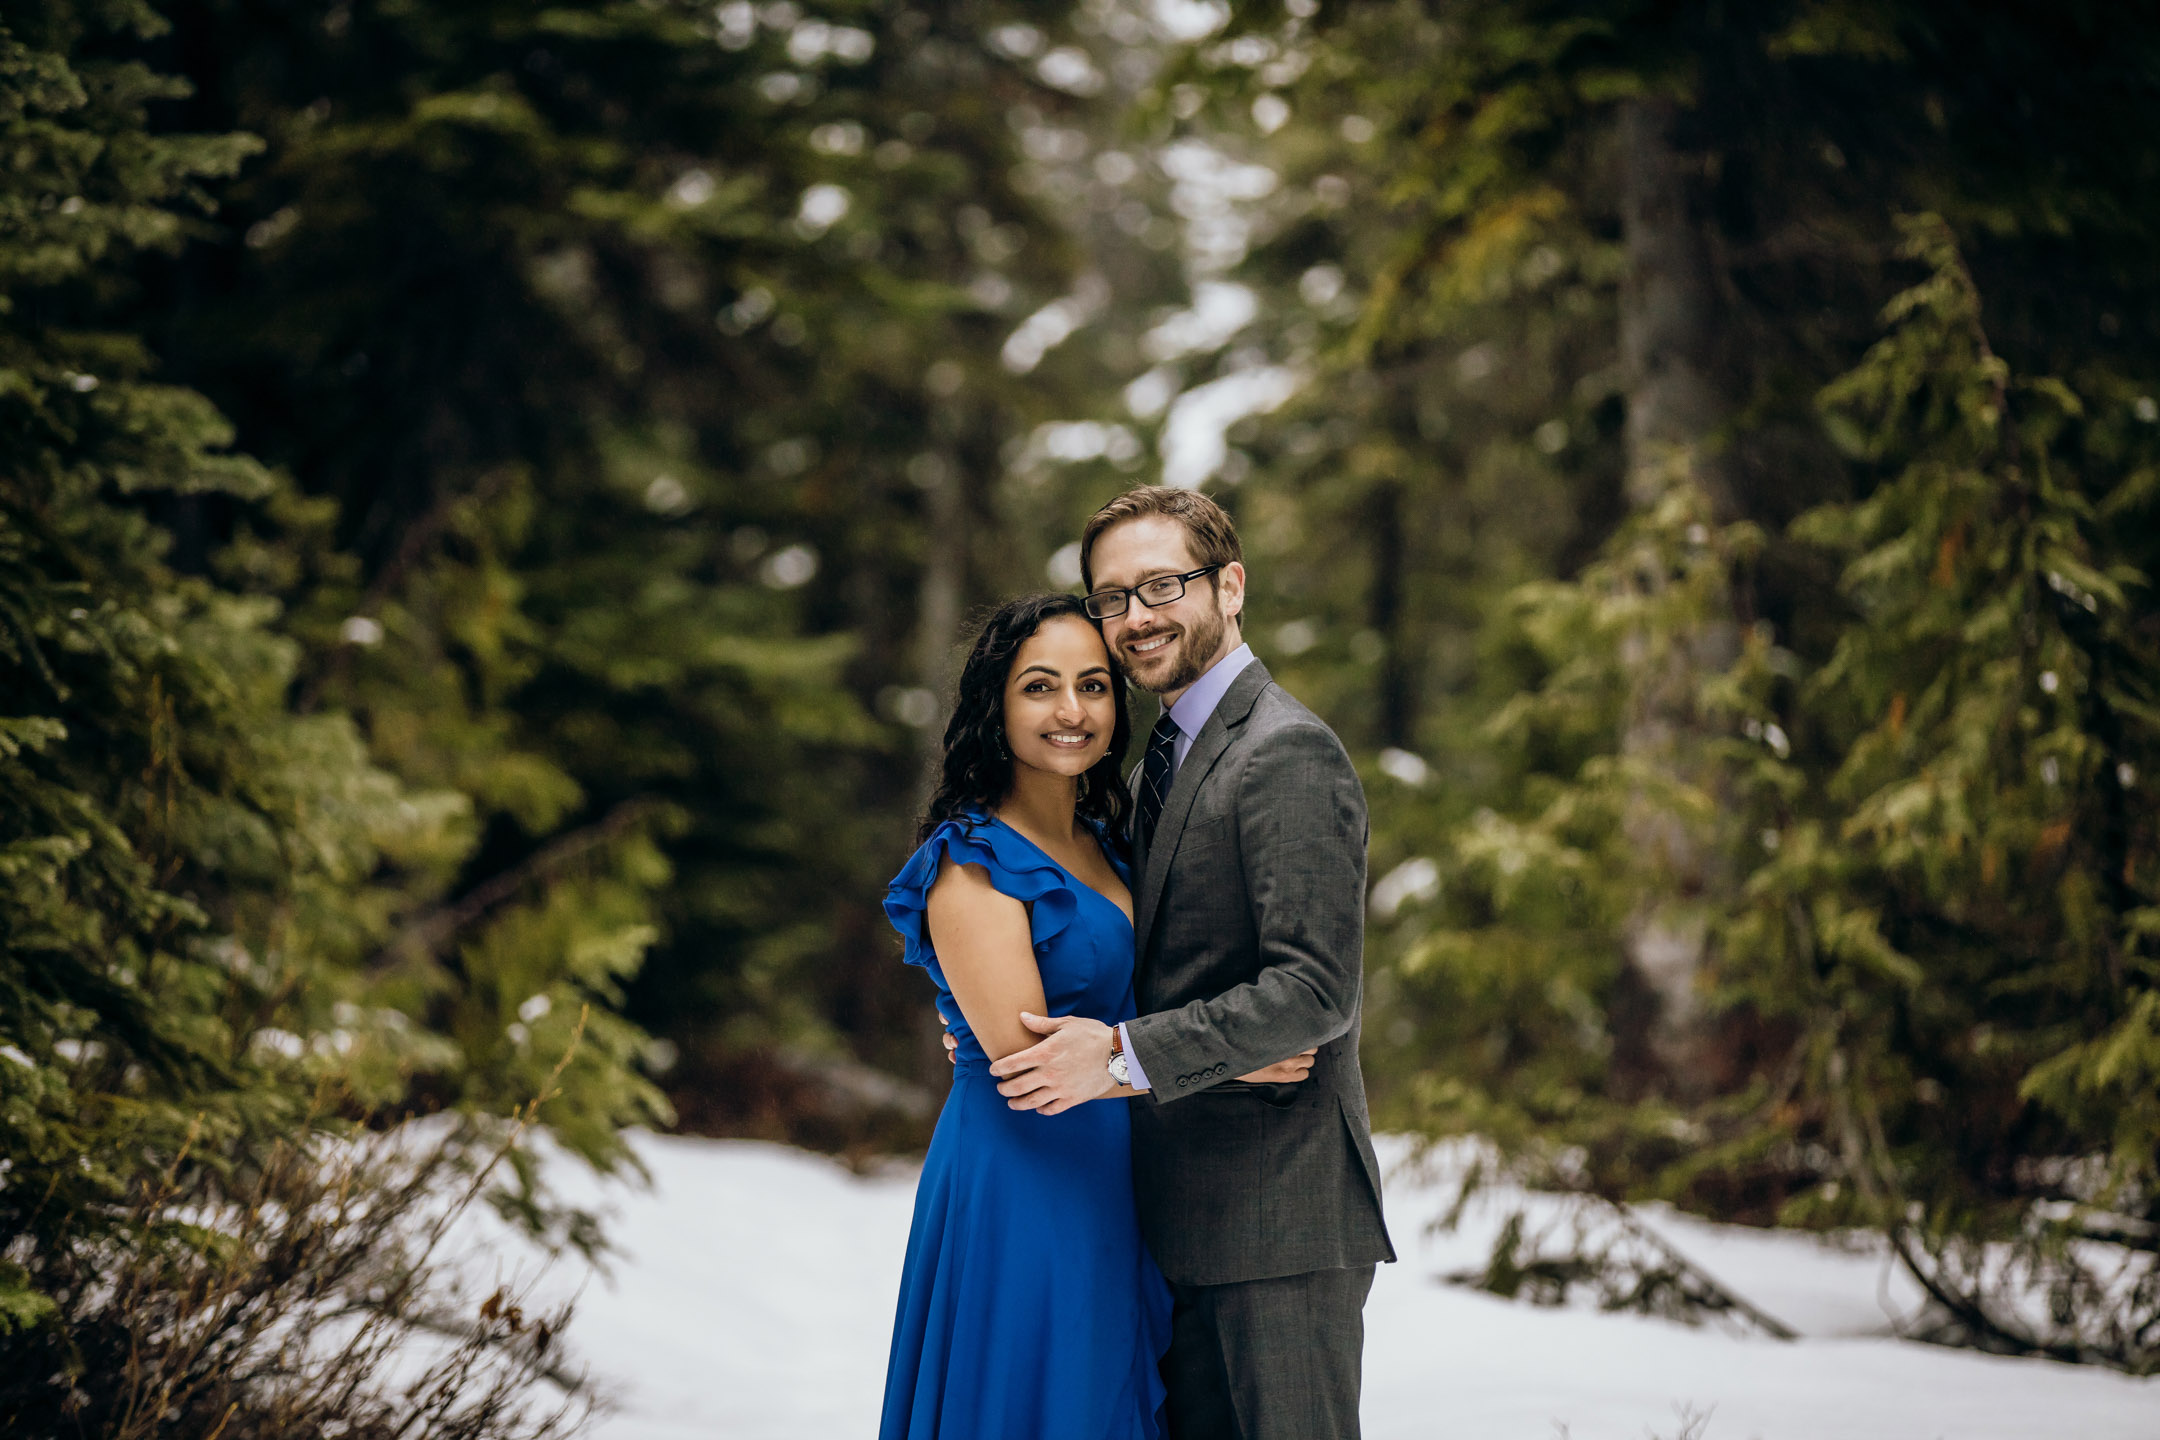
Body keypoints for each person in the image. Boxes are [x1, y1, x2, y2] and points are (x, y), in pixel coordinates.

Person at [986, 487, 1396, 1440]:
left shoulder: (1286, 751)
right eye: (1110, 597)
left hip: (1279, 1220)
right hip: (1172, 1219)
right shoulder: (1154, 761)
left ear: (1232, 586)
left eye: (1162, 585)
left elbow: (1313, 991)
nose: (1134, 618)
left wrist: (1122, 1056)